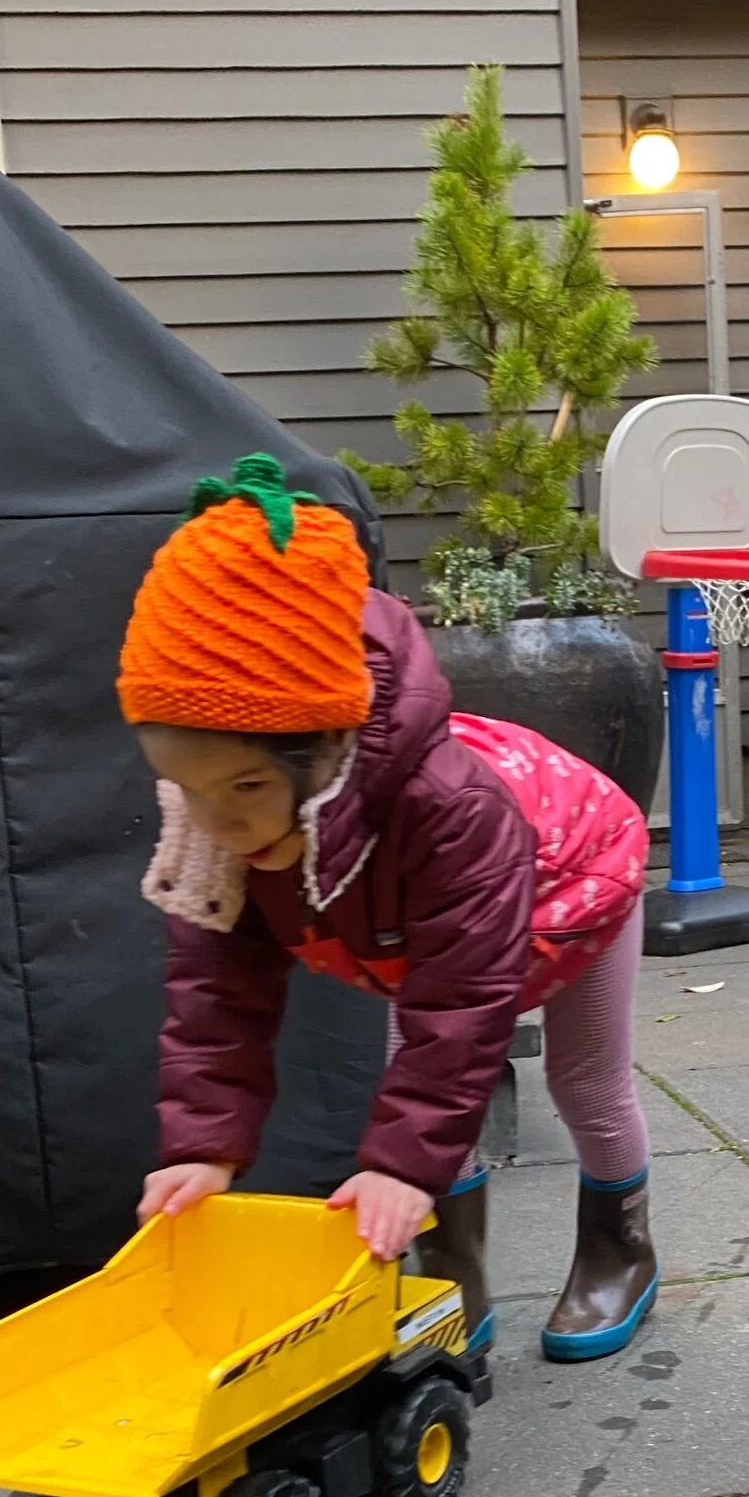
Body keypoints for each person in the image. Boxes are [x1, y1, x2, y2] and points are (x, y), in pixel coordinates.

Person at [117, 453, 659, 1362]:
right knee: (431, 1080)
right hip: (427, 946)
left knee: (580, 1082)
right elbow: (216, 992)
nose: (218, 821)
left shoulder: (448, 810)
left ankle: (621, 1250)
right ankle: (454, 1268)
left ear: (327, 749)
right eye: (186, 788)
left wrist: (400, 1165)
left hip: (573, 885)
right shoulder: (222, 817)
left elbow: (462, 1003)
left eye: (245, 787)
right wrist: (203, 1142)